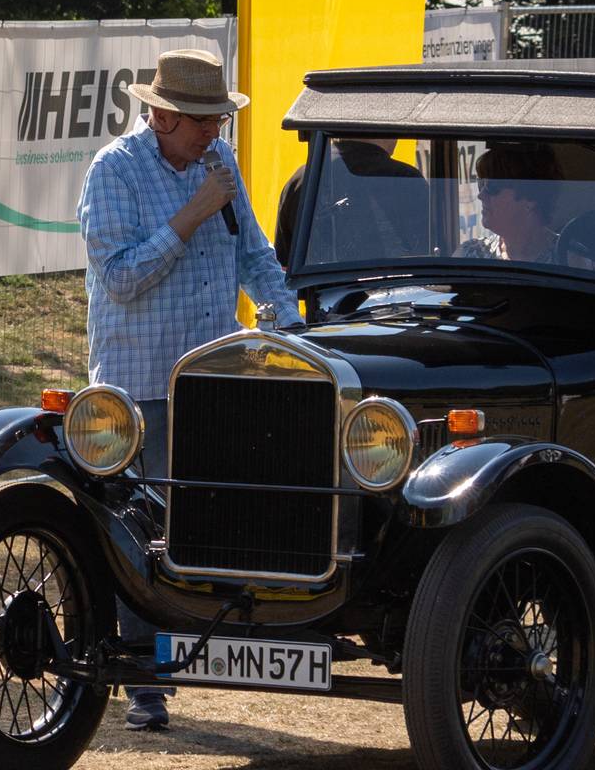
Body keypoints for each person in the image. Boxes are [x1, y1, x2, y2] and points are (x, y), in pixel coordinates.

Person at [78, 47, 300, 733]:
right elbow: (119, 278)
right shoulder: (113, 171)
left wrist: (286, 318)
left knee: (212, 517)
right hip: (142, 384)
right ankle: (145, 684)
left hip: (216, 380)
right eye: (203, 120)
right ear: (161, 115)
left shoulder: (218, 165)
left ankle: (220, 643)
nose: (215, 132)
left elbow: (253, 251)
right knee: (138, 533)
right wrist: (191, 216)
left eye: (219, 120)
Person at [274, 137, 424, 270]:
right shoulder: (406, 179)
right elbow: (429, 253)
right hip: (398, 296)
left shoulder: (302, 179)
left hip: (324, 298)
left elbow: (284, 267)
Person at [455, 144, 564, 262]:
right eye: (481, 184)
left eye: (491, 186)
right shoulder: (469, 255)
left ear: (530, 198)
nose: (481, 195)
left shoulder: (569, 259)